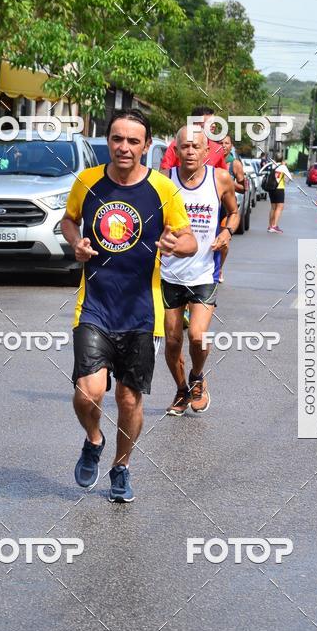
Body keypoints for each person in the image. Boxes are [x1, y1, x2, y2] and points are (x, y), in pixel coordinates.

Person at [61, 109, 197, 503]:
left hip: (143, 311)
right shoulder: (87, 182)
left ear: (147, 146)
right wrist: (77, 243)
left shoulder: (163, 189)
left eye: (133, 141)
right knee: (88, 393)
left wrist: (176, 245)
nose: (124, 147)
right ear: (108, 141)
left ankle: (121, 466)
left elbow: (189, 239)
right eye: (117, 139)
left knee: (128, 398)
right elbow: (68, 221)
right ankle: (93, 440)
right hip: (95, 306)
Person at [162, 126, 239, 415]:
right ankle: (182, 389)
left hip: (204, 272)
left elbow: (233, 212)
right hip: (169, 272)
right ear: (177, 150)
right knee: (171, 341)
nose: (191, 151)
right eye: (185, 147)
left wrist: (227, 233)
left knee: (197, 335)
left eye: (196, 147)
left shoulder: (219, 178)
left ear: (207, 151)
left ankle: (197, 376)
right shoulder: (164, 181)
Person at [160, 106, 228, 173]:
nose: (213, 125)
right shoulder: (177, 144)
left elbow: (223, 176)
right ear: (196, 123)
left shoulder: (218, 149)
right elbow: (164, 171)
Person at [219, 134, 245, 281]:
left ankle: (219, 268)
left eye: (227, 143)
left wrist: (229, 182)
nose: (223, 146)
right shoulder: (209, 161)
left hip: (227, 208)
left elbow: (243, 188)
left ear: (231, 146)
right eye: (221, 143)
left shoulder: (234, 164)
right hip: (211, 206)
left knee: (224, 242)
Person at [266, 156, 292, 233]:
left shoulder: (272, 165)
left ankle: (270, 226)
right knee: (280, 207)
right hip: (279, 188)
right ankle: (274, 226)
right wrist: (284, 166)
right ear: (282, 159)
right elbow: (289, 178)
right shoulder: (283, 167)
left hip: (271, 188)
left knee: (273, 207)